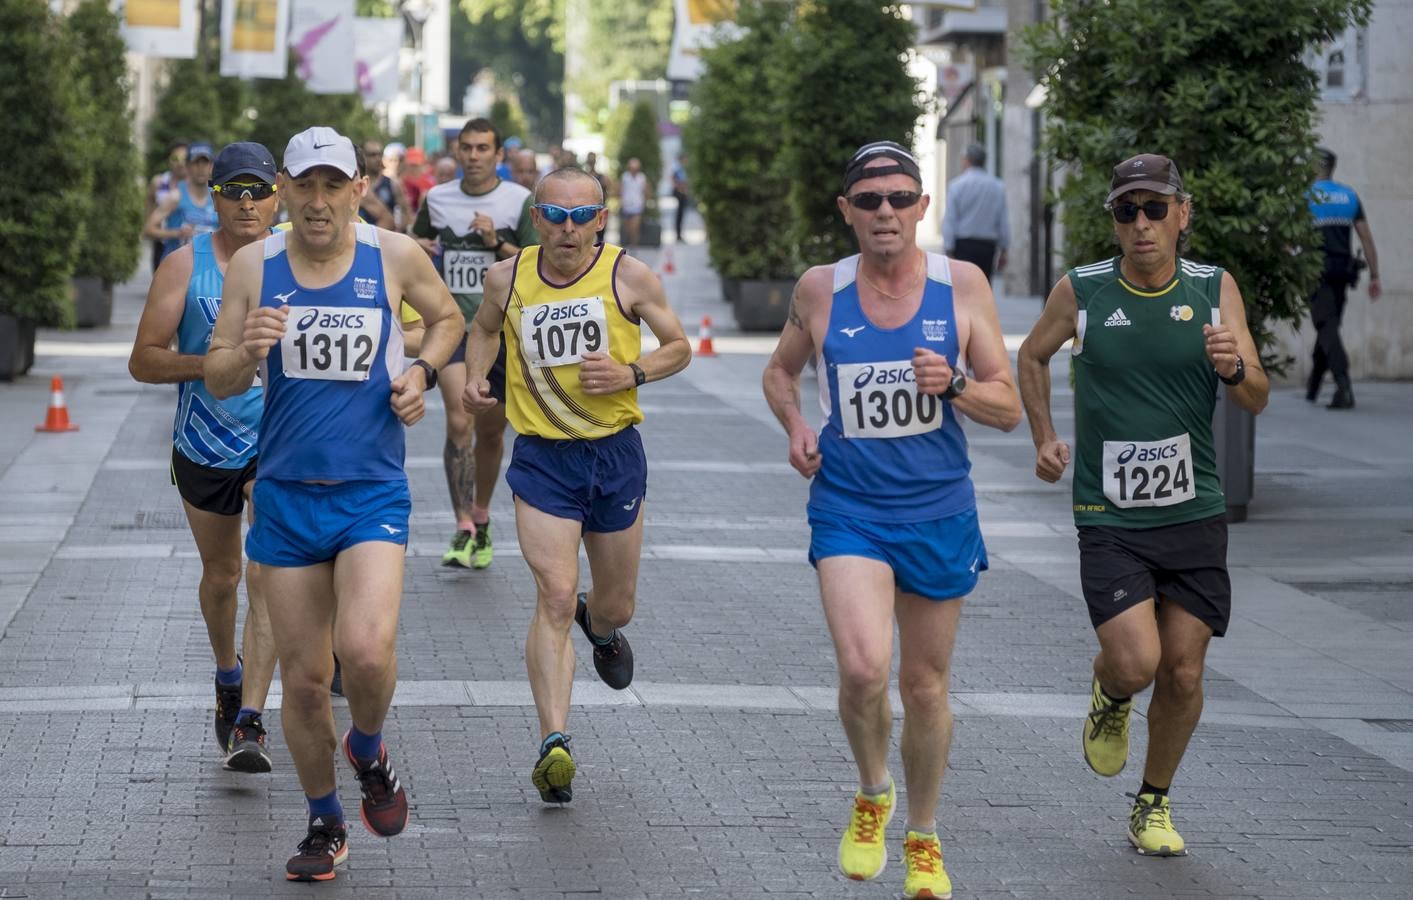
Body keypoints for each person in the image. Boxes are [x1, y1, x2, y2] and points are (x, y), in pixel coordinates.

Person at [762, 140, 1022, 899]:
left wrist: (957, 386)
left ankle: (924, 835)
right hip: (848, 508)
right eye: (869, 200)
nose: (885, 212)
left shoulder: (961, 285)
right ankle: (873, 792)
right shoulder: (819, 289)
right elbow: (779, 371)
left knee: (925, 687)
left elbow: (1006, 408)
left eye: (900, 198)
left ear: (922, 206)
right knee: (862, 668)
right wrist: (796, 428)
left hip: (939, 510)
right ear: (845, 210)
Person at [204, 126, 464, 882]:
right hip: (285, 497)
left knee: (367, 649)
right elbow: (218, 375)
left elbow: (446, 318)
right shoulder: (255, 266)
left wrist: (419, 372)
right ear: (283, 187)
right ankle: (324, 819)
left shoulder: (395, 256)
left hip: (370, 492)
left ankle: (370, 747)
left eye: (333, 185)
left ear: (358, 188)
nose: (318, 203)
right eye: (304, 186)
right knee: (306, 681)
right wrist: (244, 350)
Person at [1016, 153, 1269, 858]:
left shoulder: (1214, 289)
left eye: (1154, 209)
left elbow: (1256, 394)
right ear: (1114, 222)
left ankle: (1151, 803)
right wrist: (1043, 437)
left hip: (1193, 510)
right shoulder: (1083, 290)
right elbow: (1031, 355)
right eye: (1126, 211)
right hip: (1109, 515)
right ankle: (1109, 691)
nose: (1141, 225)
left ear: (1182, 215)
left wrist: (1234, 367)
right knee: (1135, 663)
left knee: (1183, 671)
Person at [462, 167, 691, 806]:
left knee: (611, 605)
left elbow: (679, 346)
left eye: (580, 215)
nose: (567, 229)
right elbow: (481, 329)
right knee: (555, 595)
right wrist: (476, 378)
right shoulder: (507, 279)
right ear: (536, 219)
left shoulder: (628, 276)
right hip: (542, 459)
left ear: (600, 217)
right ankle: (553, 742)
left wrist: (632, 371)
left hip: (614, 455)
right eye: (554, 215)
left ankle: (603, 626)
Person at [129, 141, 284, 774]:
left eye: (258, 191)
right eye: (234, 192)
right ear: (213, 195)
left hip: (279, 440)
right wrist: (221, 363)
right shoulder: (184, 265)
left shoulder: (300, 260)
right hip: (205, 441)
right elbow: (143, 358)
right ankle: (228, 673)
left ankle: (250, 717)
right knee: (222, 576)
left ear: (279, 195)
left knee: (264, 570)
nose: (247, 205)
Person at [411, 118, 539, 569]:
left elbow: (536, 265)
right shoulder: (437, 198)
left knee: (489, 433)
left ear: (498, 155)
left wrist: (495, 242)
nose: (473, 156)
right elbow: (413, 244)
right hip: (454, 328)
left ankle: (481, 516)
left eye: (483, 148)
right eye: (466, 147)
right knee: (459, 421)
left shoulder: (519, 201)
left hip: (502, 332)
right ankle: (463, 523)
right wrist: (420, 246)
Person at [1306, 147, 1381, 409]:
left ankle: (1343, 385)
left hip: (1316, 271)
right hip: (1343, 271)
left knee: (1325, 324)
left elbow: (1288, 241)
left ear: (1315, 167)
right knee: (1330, 325)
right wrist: (1374, 275)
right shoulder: (1349, 196)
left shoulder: (1305, 197)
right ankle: (1313, 385)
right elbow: (1366, 238)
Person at [941, 142, 1009, 282]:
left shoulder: (957, 185)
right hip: (987, 246)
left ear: (967, 160)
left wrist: (948, 248)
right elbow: (1003, 220)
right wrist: (1004, 248)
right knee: (984, 285)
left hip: (963, 246)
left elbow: (950, 219)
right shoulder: (997, 186)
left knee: (963, 287)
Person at [145, 141, 219, 264]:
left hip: (208, 267)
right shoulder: (176, 196)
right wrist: (177, 233)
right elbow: (148, 230)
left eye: (205, 163)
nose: (201, 168)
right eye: (196, 163)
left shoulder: (218, 196)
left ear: (211, 166)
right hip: (176, 268)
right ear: (188, 166)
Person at [147, 141, 188, 272]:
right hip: (162, 243)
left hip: (190, 244)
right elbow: (148, 213)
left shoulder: (196, 186)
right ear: (168, 160)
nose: (180, 163)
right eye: (175, 158)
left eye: (185, 159)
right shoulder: (159, 182)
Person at [361, 140, 413, 230]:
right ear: (363, 157)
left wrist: (398, 230)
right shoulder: (356, 184)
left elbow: (406, 212)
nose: (377, 158)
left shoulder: (392, 184)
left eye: (380, 154)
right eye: (372, 155)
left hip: (386, 237)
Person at [617, 157, 648, 247]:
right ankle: (628, 244)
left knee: (635, 226)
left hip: (637, 205)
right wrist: (620, 201)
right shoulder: (625, 176)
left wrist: (645, 201)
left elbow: (645, 190)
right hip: (627, 205)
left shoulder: (642, 177)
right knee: (627, 227)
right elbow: (621, 189)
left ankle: (634, 244)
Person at [671, 154, 691, 243]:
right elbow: (675, 180)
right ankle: (678, 234)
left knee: (681, 213)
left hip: (682, 192)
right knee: (679, 214)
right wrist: (681, 190)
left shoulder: (681, 168)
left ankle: (679, 234)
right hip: (680, 193)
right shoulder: (678, 169)